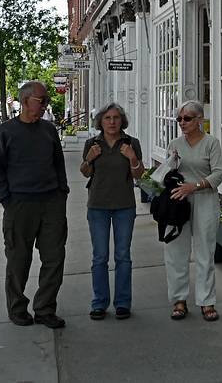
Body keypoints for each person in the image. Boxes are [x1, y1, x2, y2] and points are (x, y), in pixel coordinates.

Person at [0, 81, 69, 328]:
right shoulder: (5, 132)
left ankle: (45, 308)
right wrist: (7, 201)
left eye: (46, 101)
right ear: (25, 102)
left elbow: (58, 163)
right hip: (20, 205)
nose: (46, 105)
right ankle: (17, 308)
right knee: (18, 260)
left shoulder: (48, 130)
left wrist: (61, 192)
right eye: (42, 100)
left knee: (54, 258)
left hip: (51, 203)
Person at [80, 103, 144, 320]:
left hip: (124, 206)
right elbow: (85, 172)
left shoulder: (131, 143)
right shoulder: (92, 143)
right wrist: (89, 158)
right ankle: (99, 303)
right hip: (97, 206)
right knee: (100, 257)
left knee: (123, 256)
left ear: (122, 121)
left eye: (116, 117)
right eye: (107, 118)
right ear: (101, 121)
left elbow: (138, 175)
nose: (112, 122)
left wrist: (132, 158)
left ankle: (123, 303)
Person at [164, 100, 222, 321]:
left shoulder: (211, 143)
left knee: (205, 252)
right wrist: (172, 163)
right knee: (175, 252)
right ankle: (179, 300)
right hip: (178, 202)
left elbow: (218, 175)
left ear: (199, 120)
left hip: (205, 199)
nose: (182, 122)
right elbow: (166, 174)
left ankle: (206, 301)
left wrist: (195, 186)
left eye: (187, 118)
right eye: (179, 118)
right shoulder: (175, 143)